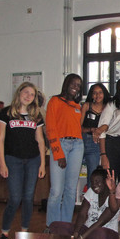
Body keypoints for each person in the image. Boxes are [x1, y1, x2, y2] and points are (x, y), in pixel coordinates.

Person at [0, 83, 46, 239]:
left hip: (33, 160)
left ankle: (24, 232)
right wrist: (2, 163)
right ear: (19, 93)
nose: (28, 96)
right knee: (15, 198)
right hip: (13, 160)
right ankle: (4, 233)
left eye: (32, 94)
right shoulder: (7, 113)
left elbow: (40, 140)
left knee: (28, 198)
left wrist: (43, 164)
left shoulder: (36, 115)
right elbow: (0, 140)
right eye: (26, 92)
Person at [49, 166, 119, 239]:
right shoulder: (91, 191)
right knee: (55, 225)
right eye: (92, 182)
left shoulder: (115, 197)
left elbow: (100, 222)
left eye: (98, 181)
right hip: (87, 229)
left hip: (106, 232)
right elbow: (82, 214)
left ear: (106, 182)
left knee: (100, 235)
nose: (94, 185)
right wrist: (76, 233)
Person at [46, 73, 84, 227]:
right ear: (66, 84)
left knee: (70, 190)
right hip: (60, 145)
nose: (76, 88)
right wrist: (58, 153)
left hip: (77, 146)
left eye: (79, 86)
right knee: (56, 191)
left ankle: (65, 225)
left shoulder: (77, 106)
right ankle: (52, 226)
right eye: (73, 84)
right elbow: (50, 129)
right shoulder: (54, 101)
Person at [81, 83, 111, 184]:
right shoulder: (86, 106)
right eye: (94, 93)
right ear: (91, 94)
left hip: (100, 143)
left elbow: (110, 126)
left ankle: (93, 198)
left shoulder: (108, 108)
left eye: (100, 92)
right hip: (84, 140)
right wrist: (92, 129)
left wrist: (100, 130)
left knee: (93, 174)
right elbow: (78, 127)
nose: (97, 95)